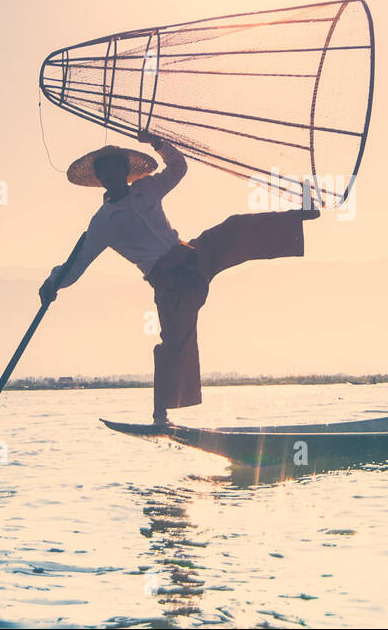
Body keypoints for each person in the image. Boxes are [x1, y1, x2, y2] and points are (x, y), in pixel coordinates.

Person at [40, 132, 319, 425]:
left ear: (125, 171)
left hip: (191, 255)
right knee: (173, 342)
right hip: (169, 283)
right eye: (106, 170)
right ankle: (160, 415)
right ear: (100, 177)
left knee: (234, 228)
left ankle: (301, 215)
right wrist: (52, 283)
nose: (112, 173)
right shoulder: (102, 223)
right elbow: (78, 262)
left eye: (117, 167)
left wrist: (158, 144)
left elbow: (178, 169)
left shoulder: (146, 189)